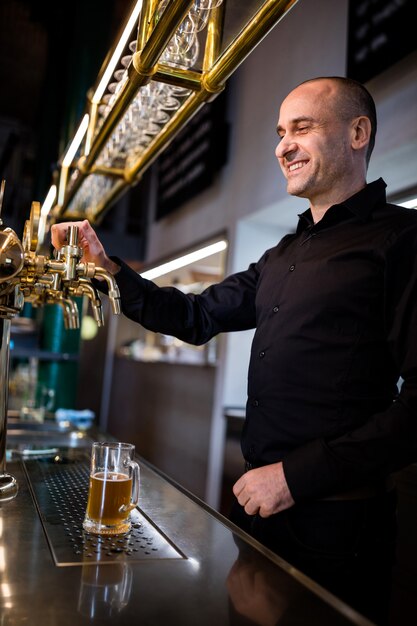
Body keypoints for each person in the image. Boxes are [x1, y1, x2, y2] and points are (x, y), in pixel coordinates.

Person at [51, 76, 417, 625]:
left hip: (341, 527)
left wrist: (294, 476)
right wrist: (107, 268)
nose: (282, 145)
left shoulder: (402, 240)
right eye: (278, 132)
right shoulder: (281, 254)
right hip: (260, 513)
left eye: (303, 128)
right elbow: (195, 316)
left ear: (358, 132)